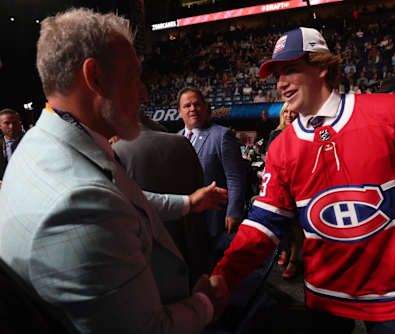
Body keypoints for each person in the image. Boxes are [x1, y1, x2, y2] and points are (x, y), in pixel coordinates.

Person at [210, 27, 395, 333]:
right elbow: (264, 222)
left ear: (322, 67)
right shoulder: (281, 146)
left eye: (290, 70)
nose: (280, 84)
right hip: (325, 296)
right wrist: (225, 275)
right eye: (276, 75)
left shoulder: (392, 112)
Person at [0, 8, 228, 333]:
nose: (143, 92)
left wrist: (189, 202)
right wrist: (206, 303)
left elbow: (123, 198)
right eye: (134, 76)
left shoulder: (42, 142)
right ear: (95, 78)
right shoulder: (78, 205)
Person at [113, 112, 209, 288]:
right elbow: (200, 187)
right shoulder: (182, 142)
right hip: (190, 245)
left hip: (151, 256)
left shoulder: (117, 151)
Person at [177, 87, 246, 269]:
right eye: (187, 105)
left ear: (205, 107)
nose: (192, 109)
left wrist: (233, 211)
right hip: (187, 216)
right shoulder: (175, 139)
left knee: (217, 266)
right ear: (180, 112)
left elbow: (235, 177)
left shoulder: (222, 135)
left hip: (215, 217)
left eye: (197, 104)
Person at [266, 102, 303, 279]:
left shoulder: (305, 132)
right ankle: (285, 250)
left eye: (293, 112)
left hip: (299, 184)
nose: (289, 115)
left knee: (296, 225)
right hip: (279, 184)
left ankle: (294, 260)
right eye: (286, 112)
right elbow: (269, 160)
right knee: (283, 223)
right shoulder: (275, 134)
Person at [0, 108, 24, 183]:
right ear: (0, 125)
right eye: (7, 123)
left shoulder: (30, 143)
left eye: (15, 123)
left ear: (20, 124)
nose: (11, 127)